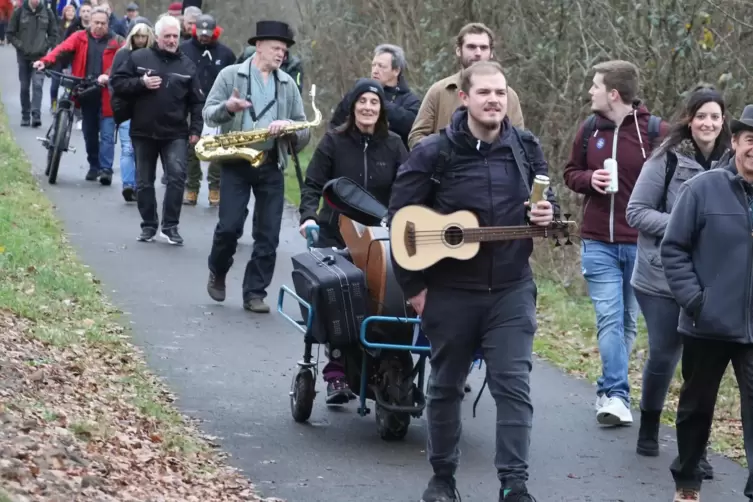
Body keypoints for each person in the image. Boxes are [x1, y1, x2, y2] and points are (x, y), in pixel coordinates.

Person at [388, 61, 557, 502]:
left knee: (513, 386)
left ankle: (514, 485)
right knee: (444, 387)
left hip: (511, 288)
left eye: (500, 93)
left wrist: (545, 213)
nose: (494, 100)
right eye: (484, 93)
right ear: (463, 98)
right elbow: (401, 221)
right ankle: (442, 479)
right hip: (450, 291)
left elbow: (545, 204)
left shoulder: (524, 147)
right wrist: (414, 288)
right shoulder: (434, 153)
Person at [626, 85, 730, 475]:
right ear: (689, 119)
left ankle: (694, 450)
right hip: (659, 278)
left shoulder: (732, 162)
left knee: (699, 366)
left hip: (709, 280)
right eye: (701, 116)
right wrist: (684, 226)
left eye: (715, 117)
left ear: (723, 122)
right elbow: (636, 211)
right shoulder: (665, 159)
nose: (707, 123)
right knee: (665, 354)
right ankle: (649, 423)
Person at [562, 60, 668, 426]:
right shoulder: (590, 129)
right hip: (597, 242)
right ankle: (619, 396)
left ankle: (607, 390)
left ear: (613, 93)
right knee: (609, 317)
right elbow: (569, 172)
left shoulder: (656, 132)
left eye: (595, 86)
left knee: (627, 323)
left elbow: (674, 184)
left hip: (642, 245)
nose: (589, 92)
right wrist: (589, 179)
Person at [660, 103, 753, 502]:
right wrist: (696, 302)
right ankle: (687, 482)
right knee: (696, 409)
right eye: (751, 140)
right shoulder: (703, 188)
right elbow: (674, 248)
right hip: (707, 322)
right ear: (735, 142)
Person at [299, 78, 408, 403]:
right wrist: (308, 217)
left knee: (392, 301)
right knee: (340, 299)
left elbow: (409, 187)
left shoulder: (394, 145)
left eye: (374, 103)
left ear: (381, 109)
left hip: (381, 240)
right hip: (336, 236)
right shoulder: (334, 142)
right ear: (352, 105)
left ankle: (391, 366)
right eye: (363, 102)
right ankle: (336, 374)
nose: (368, 108)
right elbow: (313, 184)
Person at [203, 20, 311, 313]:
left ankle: (254, 292)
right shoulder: (229, 75)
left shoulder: (288, 84)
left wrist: (290, 127)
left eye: (285, 50)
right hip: (236, 161)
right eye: (276, 48)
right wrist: (228, 108)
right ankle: (218, 269)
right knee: (229, 228)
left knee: (268, 234)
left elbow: (304, 129)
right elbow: (208, 114)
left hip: (271, 164)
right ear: (258, 46)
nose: (281, 55)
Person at [110, 14, 204, 245]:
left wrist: (196, 129)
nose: (172, 40)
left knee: (176, 178)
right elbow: (118, 83)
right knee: (144, 182)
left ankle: (170, 226)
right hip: (143, 131)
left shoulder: (188, 65)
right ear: (158, 37)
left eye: (175, 36)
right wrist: (141, 83)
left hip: (175, 133)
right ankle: (149, 225)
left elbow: (196, 102)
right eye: (167, 36)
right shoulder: (139, 57)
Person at [35, 6, 123, 184]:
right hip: (85, 91)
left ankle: (106, 170)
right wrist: (45, 61)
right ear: (90, 22)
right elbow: (61, 49)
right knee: (89, 133)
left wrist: (109, 74)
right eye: (96, 23)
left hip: (106, 93)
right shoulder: (80, 37)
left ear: (108, 24)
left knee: (106, 134)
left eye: (103, 23)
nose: (99, 26)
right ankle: (93, 166)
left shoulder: (116, 41)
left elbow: (124, 60)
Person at [407, 22, 524, 149]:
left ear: (491, 53)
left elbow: (519, 141)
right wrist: (441, 157)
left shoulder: (508, 95)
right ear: (459, 50)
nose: (478, 53)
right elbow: (416, 137)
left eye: (483, 48)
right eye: (471, 47)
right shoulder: (439, 91)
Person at [179, 13, 235, 207]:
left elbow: (232, 79)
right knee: (192, 147)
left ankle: (215, 188)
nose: (204, 36)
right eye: (201, 33)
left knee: (217, 149)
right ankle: (192, 188)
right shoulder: (184, 49)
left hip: (217, 107)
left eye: (207, 33)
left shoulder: (226, 54)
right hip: (191, 105)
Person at [330, 44, 420, 148]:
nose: (375, 71)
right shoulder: (357, 92)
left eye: (381, 66)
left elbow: (411, 127)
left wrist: (380, 103)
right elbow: (335, 125)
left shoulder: (410, 101)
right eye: (373, 65)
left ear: (396, 71)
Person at [110, 20, 154, 201]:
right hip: (127, 108)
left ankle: (141, 183)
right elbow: (116, 81)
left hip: (148, 109)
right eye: (138, 36)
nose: (141, 40)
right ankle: (128, 184)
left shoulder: (153, 56)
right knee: (128, 148)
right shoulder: (122, 55)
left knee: (143, 150)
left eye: (144, 36)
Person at [7, 0, 58, 128]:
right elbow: (10, 33)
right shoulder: (19, 11)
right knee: (24, 87)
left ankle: (36, 115)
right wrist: (21, 46)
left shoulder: (48, 12)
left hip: (40, 57)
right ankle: (25, 115)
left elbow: (53, 34)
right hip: (23, 56)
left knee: (37, 85)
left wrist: (45, 47)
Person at [236, 44, 303, 94]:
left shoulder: (294, 65)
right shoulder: (249, 54)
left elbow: (296, 92)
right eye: (275, 48)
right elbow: (234, 77)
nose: (279, 54)